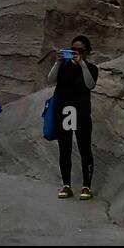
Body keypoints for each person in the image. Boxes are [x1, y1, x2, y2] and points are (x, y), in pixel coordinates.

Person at [47, 35, 98, 199]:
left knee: (84, 148)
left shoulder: (91, 68)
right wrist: (58, 62)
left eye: (80, 50)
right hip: (65, 112)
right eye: (73, 50)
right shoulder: (64, 66)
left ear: (87, 52)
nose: (75, 53)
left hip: (81, 112)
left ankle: (86, 186)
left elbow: (90, 84)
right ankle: (66, 184)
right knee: (65, 148)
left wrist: (82, 64)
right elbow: (50, 80)